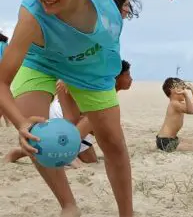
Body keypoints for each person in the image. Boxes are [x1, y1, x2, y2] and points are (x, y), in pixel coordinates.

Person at [0, 0, 182, 217]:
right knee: (35, 135)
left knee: (112, 142)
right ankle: (68, 205)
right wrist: (20, 123)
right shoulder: (31, 16)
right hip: (41, 62)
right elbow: (1, 81)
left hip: (91, 71)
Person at [4, 59, 133, 167]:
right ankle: (25, 152)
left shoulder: (108, 93)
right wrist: (66, 81)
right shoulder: (97, 84)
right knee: (93, 117)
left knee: (92, 159)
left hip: (74, 121)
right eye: (128, 75)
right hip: (63, 115)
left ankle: (62, 149)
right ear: (117, 77)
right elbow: (67, 79)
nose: (131, 79)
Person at [157, 77, 193, 152]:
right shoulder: (174, 104)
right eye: (182, 88)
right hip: (165, 141)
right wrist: (186, 95)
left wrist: (192, 89)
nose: (184, 90)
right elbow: (191, 111)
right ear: (173, 90)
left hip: (171, 139)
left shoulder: (179, 104)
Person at [0, 33, 10, 126]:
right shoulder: (3, 45)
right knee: (4, 97)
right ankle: (7, 122)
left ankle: (7, 122)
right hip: (3, 73)